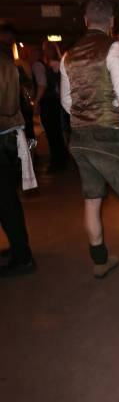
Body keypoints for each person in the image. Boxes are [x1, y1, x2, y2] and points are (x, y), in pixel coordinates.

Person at [60, 0, 119, 278]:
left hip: (78, 137)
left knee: (91, 199)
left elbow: (67, 102)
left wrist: (86, 111)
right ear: (112, 22)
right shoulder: (115, 49)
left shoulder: (68, 55)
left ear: (86, 21)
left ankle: (100, 259)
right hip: (109, 136)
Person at [0, 24, 36, 278]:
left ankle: (22, 256)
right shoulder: (7, 63)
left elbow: (10, 102)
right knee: (6, 201)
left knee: (5, 202)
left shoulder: (4, 65)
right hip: (8, 135)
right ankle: (18, 249)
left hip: (4, 136)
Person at [31, 45, 69, 171]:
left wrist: (36, 103)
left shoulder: (40, 65)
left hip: (49, 101)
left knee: (52, 132)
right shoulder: (48, 65)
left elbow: (42, 85)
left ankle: (58, 160)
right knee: (55, 131)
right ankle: (61, 158)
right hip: (53, 101)